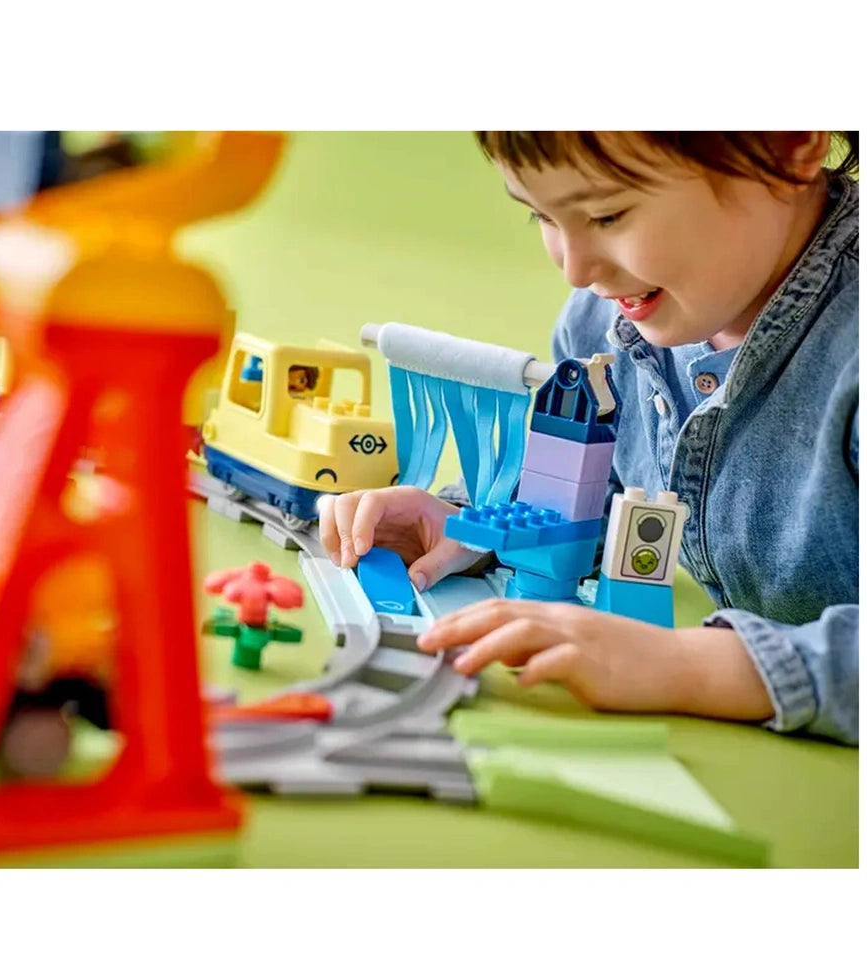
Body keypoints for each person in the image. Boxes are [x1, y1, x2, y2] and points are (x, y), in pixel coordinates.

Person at [317, 131, 858, 746]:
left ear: (789, 147)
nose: (576, 269)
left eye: (608, 214)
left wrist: (685, 665)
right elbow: (602, 493)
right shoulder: (607, 320)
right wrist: (473, 525)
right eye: (541, 216)